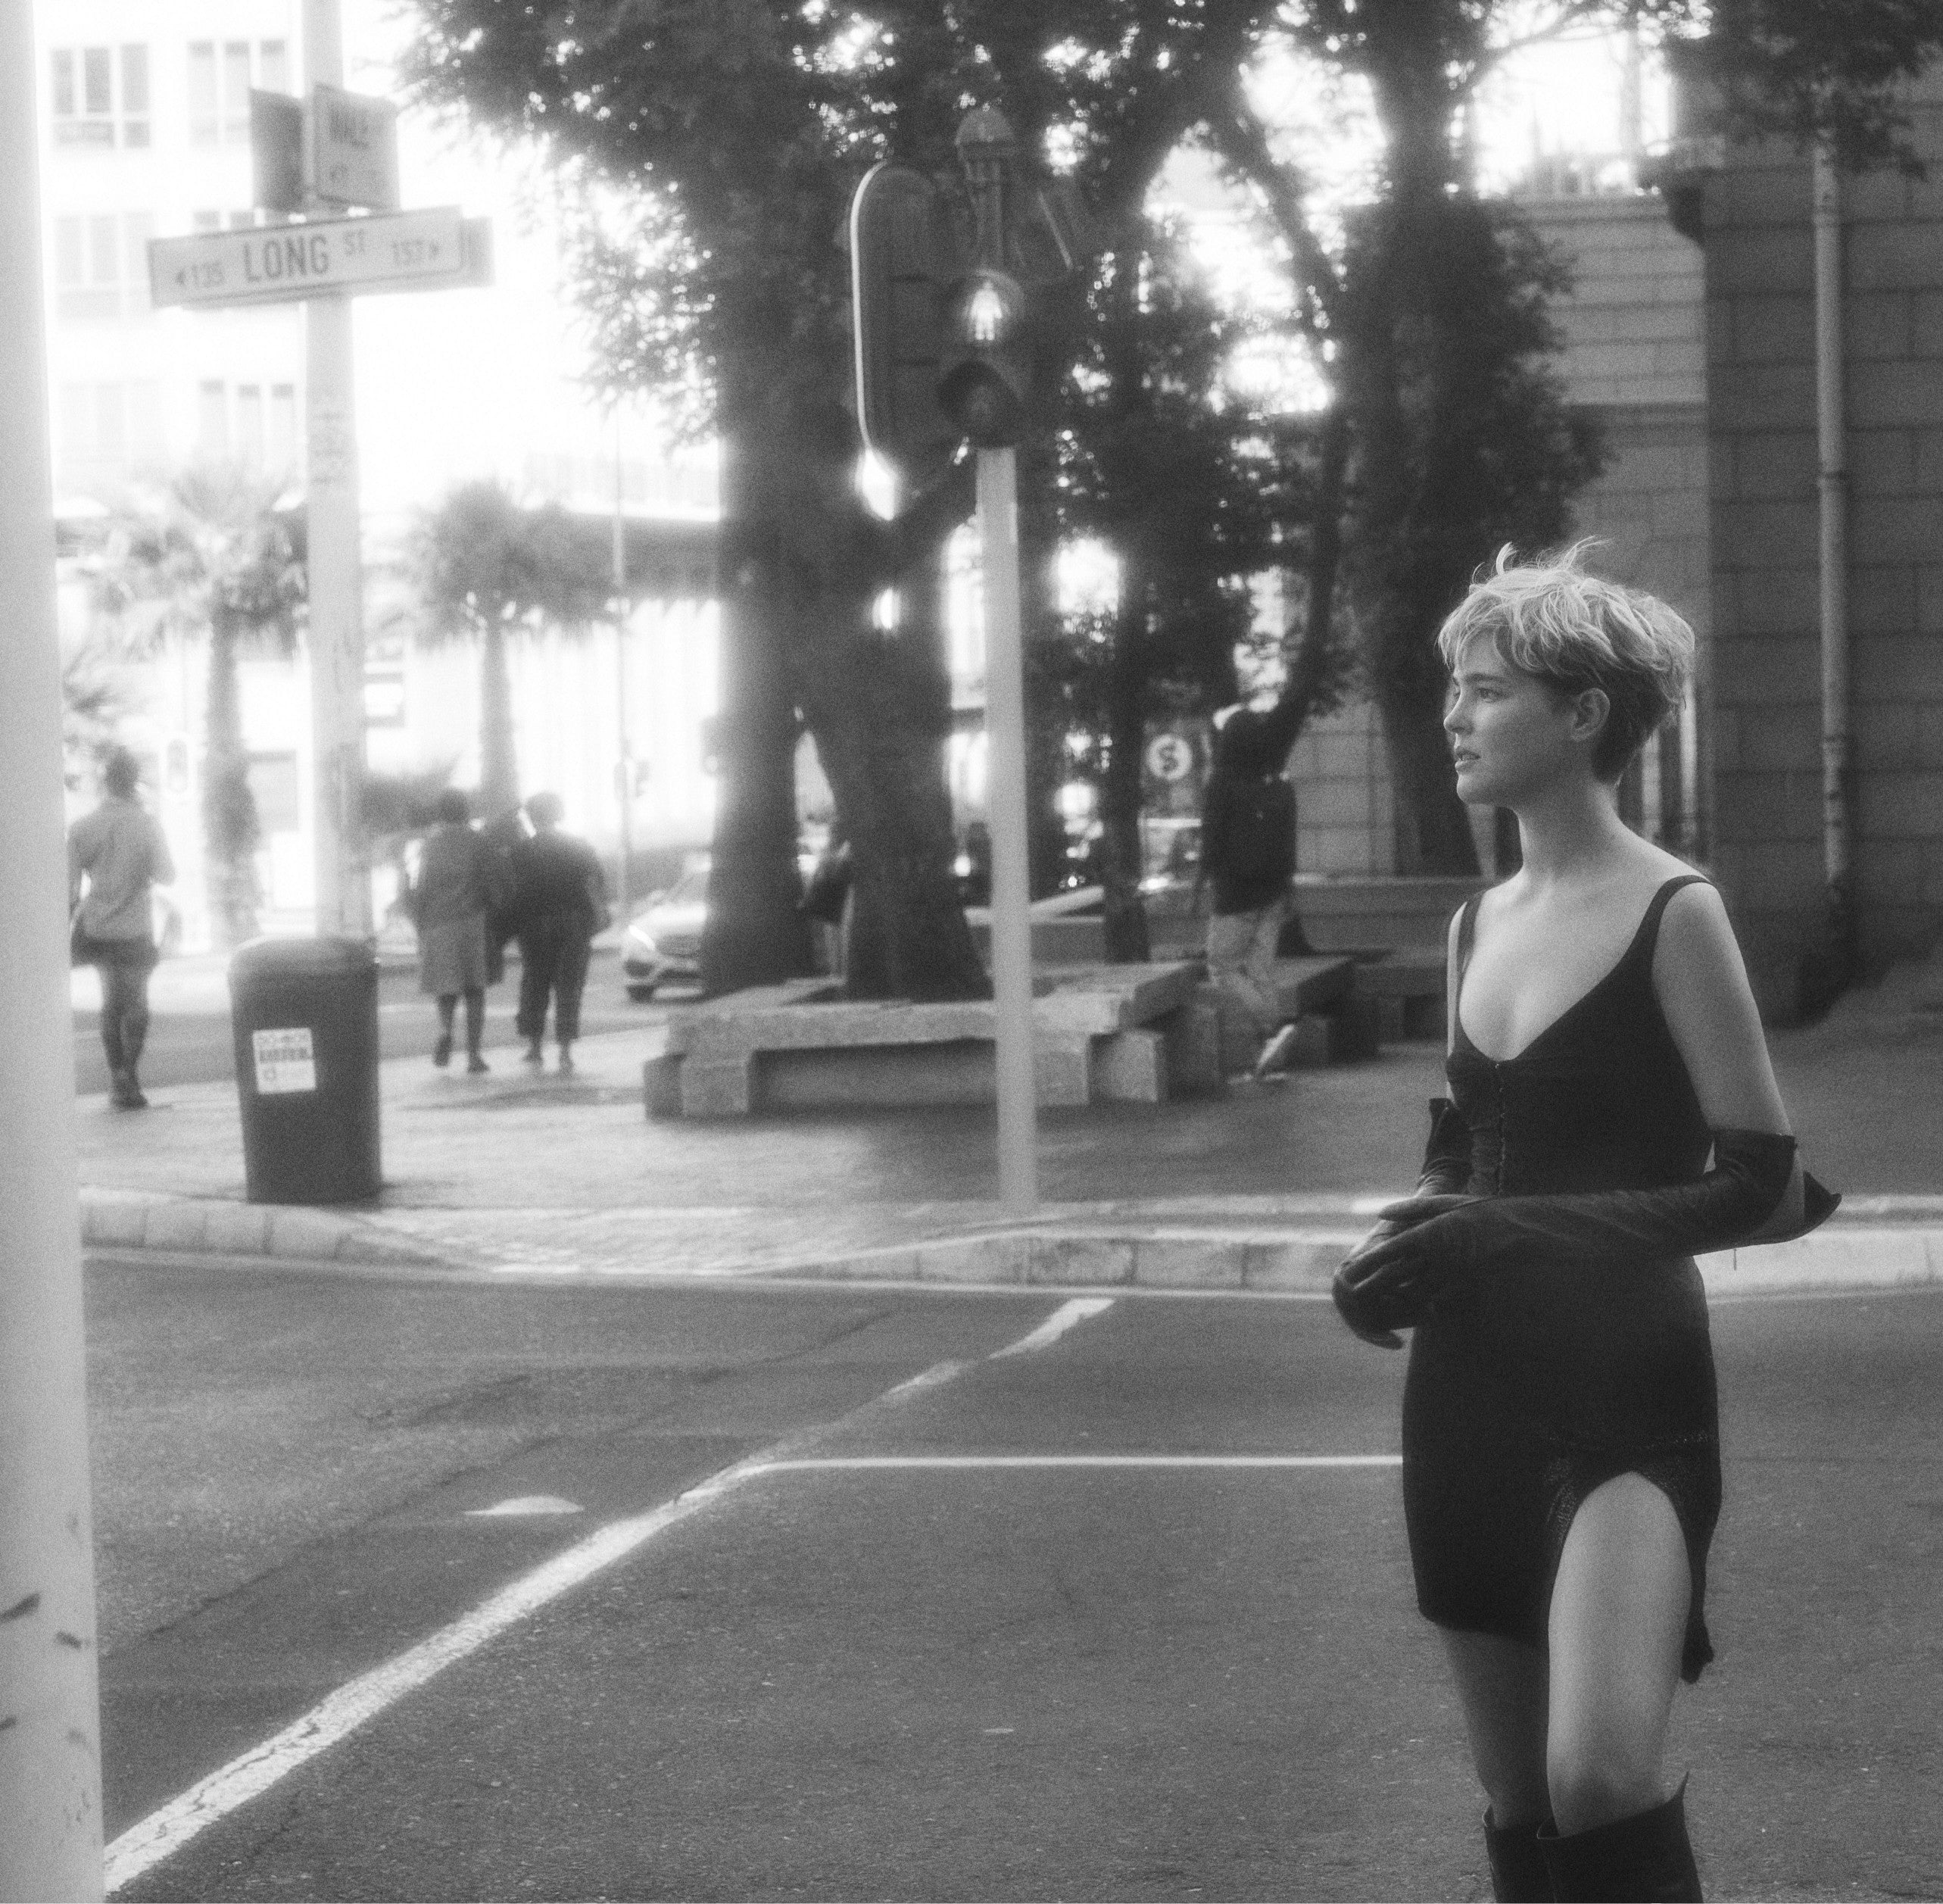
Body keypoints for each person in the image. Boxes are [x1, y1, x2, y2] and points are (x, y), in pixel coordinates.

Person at [1331, 546, 1837, 1902]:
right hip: (1468, 1390)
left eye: (1486, 690)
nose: (1454, 716)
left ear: (1584, 715)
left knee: (1599, 1780)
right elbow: (1464, 1146)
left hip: (1627, 1391)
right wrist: (1396, 1251)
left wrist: (1509, 1232)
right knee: (1517, 1806)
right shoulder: (1474, 923)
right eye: (1454, 687)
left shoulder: (1679, 910)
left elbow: (1764, 1183)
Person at [1197, 692, 1308, 1078]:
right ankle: (1270, 1053)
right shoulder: (1278, 785)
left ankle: (1273, 1028)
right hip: (1274, 890)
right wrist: (1289, 888)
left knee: (1223, 965)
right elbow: (1289, 839)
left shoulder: (1221, 784)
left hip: (1236, 892)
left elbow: (1212, 839)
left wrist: (1200, 886)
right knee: (1259, 969)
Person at [68, 747, 175, 1110]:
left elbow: (67, 888)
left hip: (98, 928)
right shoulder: (147, 825)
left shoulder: (82, 828)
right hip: (135, 929)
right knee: (138, 1003)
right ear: (134, 783)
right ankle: (129, 1074)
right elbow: (167, 875)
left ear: (106, 783)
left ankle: (117, 1077)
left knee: (110, 1002)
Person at [509, 791, 609, 1072]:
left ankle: (535, 1047)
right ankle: (565, 1049)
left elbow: (514, 892)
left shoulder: (521, 852)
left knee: (535, 983)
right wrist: (599, 915)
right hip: (575, 921)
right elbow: (594, 883)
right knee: (569, 985)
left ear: (532, 816)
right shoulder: (578, 846)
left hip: (535, 924)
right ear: (559, 813)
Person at [408, 788, 497, 1073]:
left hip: (438, 924)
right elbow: (492, 882)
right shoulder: (478, 842)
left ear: (441, 813)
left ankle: (446, 1029)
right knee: (474, 990)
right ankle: (474, 1056)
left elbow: (421, 888)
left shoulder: (430, 845)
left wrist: (421, 926)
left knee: (446, 989)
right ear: (465, 811)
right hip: (471, 923)